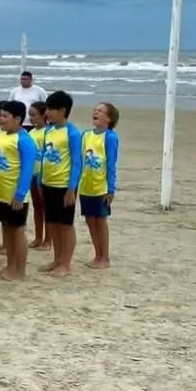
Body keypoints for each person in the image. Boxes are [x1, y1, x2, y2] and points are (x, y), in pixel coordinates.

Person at [0, 100, 38, 281]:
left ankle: (20, 269)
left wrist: (19, 194)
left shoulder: (24, 139)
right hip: (0, 192)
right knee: (7, 229)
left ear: (18, 119)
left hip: (15, 194)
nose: (1, 120)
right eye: (0, 115)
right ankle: (10, 265)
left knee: (17, 231)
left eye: (5, 116)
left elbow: (27, 169)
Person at [39, 90, 84, 277]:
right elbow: (44, 157)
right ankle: (57, 259)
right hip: (47, 183)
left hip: (64, 186)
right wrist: (40, 180)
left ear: (62, 110)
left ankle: (66, 263)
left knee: (65, 225)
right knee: (52, 223)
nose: (47, 113)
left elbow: (76, 162)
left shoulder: (72, 133)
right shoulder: (48, 130)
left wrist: (71, 189)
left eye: (51, 109)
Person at [80, 102, 120, 269]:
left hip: (100, 187)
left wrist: (111, 189)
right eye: (95, 110)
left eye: (100, 111)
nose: (96, 112)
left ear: (109, 118)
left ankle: (105, 257)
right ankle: (97, 254)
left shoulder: (110, 137)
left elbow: (111, 164)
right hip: (85, 185)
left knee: (100, 221)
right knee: (90, 220)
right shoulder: (86, 135)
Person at [26, 101, 49, 251]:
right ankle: (38, 237)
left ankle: (48, 240)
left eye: (34, 115)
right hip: (32, 173)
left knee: (47, 208)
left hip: (45, 174)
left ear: (43, 115)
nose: (31, 118)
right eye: (30, 115)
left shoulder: (48, 132)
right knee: (37, 206)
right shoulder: (31, 133)